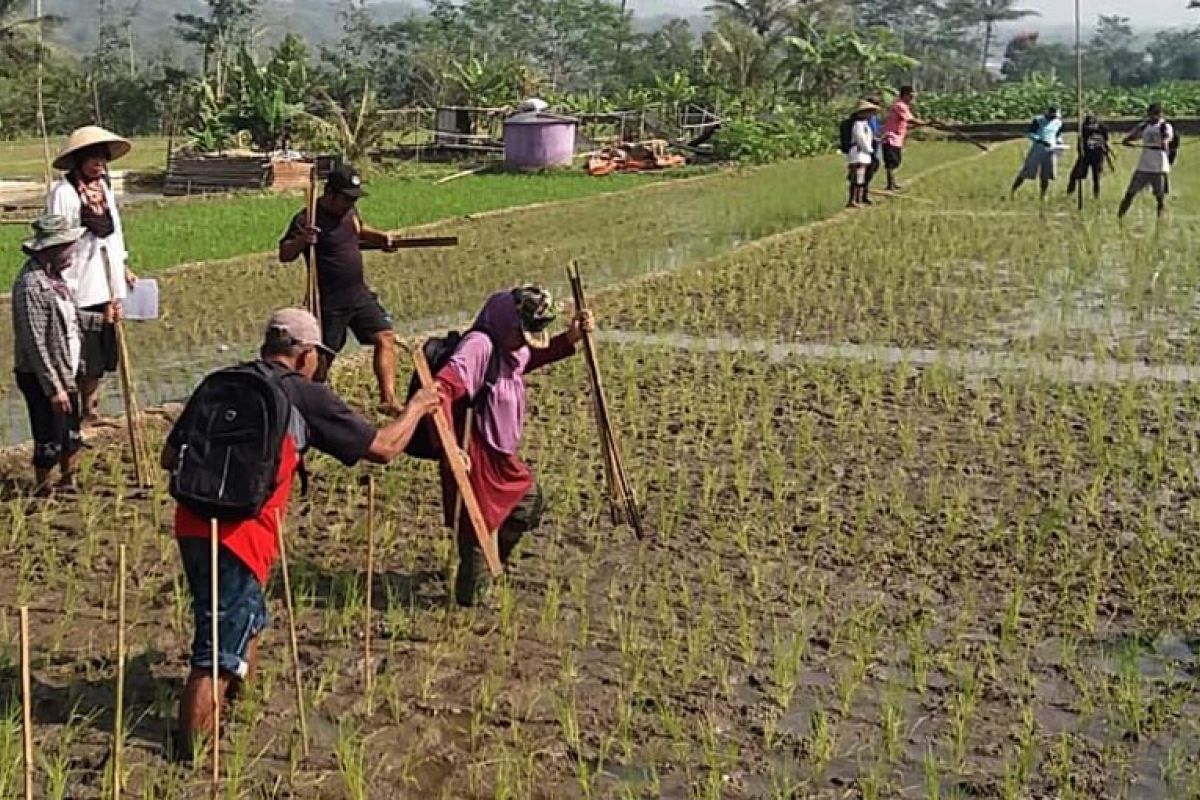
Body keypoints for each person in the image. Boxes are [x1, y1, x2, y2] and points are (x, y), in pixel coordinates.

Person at [160, 308, 440, 754]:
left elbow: (168, 457)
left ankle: (236, 707)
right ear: (305, 353)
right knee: (213, 656)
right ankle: (190, 759)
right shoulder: (304, 396)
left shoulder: (220, 380)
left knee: (246, 620)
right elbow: (384, 448)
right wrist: (417, 407)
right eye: (318, 356)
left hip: (192, 523)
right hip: (242, 536)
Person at [433, 286, 594, 606]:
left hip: (502, 457)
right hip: (476, 453)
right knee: (477, 530)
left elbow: (527, 359)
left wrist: (569, 339)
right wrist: (451, 447)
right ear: (506, 323)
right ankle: (470, 601)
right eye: (520, 334)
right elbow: (440, 392)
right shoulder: (479, 346)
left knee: (528, 506)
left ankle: (495, 564)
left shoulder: (513, 347)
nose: (523, 342)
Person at [279, 166, 408, 416]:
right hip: (329, 302)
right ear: (330, 193)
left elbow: (359, 229)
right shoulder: (308, 219)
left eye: (354, 199)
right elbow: (285, 254)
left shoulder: (349, 211)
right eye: (346, 198)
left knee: (385, 337)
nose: (350, 203)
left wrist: (381, 238)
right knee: (323, 358)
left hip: (359, 295)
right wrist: (302, 240)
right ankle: (307, 404)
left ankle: (388, 399)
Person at [12, 214, 119, 495]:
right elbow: (36, 343)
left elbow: (69, 319)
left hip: (66, 369)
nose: (72, 253)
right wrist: (54, 388)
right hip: (42, 375)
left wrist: (103, 321)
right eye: (68, 247)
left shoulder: (56, 280)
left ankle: (69, 479)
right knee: (48, 432)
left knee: (70, 431)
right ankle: (44, 487)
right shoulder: (31, 286)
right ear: (51, 250)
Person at [45, 126, 137, 427]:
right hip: (78, 283)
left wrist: (122, 266)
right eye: (93, 158)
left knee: (105, 347)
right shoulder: (64, 193)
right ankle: (78, 412)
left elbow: (116, 233)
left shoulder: (104, 189)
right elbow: (57, 238)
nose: (99, 164)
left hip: (106, 280)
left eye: (102, 159)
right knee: (81, 349)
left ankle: (92, 407)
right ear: (79, 160)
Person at [1118, 103, 1174, 220]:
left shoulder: (1165, 126)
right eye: (1151, 114)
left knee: (1160, 196)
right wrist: (1127, 141)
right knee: (1130, 193)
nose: (1154, 117)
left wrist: (1165, 142)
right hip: (1144, 166)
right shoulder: (1144, 126)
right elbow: (1132, 136)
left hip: (1159, 167)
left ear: (1160, 114)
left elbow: (1168, 137)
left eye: (1156, 114)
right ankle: (1120, 217)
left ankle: (1161, 219)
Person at [1010, 105, 1064, 200]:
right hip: (1038, 148)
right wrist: (1040, 140)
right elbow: (1030, 134)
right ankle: (1013, 191)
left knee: (1046, 174)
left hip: (1051, 149)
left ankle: (1043, 195)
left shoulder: (1058, 123)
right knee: (1027, 171)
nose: (1053, 118)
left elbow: (1058, 134)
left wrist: (1059, 142)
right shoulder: (1038, 120)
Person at [881, 86, 927, 191]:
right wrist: (926, 123)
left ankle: (892, 183)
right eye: (911, 96)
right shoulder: (899, 106)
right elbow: (910, 120)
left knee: (896, 161)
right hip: (891, 137)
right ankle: (890, 184)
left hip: (897, 138)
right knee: (891, 162)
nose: (912, 99)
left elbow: (905, 123)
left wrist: (922, 124)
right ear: (905, 95)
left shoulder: (904, 106)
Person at [1067, 114, 1112, 200]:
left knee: (1096, 177)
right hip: (1085, 156)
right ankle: (1069, 194)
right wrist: (1080, 151)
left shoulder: (1101, 127)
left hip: (1097, 156)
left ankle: (1096, 196)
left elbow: (1106, 140)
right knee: (1074, 175)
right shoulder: (1083, 127)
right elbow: (1080, 141)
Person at [844, 100, 878, 208]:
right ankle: (853, 200)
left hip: (863, 153)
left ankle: (858, 199)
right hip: (858, 153)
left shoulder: (865, 124)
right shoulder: (858, 124)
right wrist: (869, 149)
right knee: (857, 177)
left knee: (861, 178)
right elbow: (860, 138)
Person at [863, 96, 884, 202]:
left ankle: (865, 192)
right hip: (868, 147)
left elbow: (877, 131)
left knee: (873, 169)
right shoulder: (865, 120)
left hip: (875, 146)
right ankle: (863, 194)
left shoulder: (874, 118)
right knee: (866, 171)